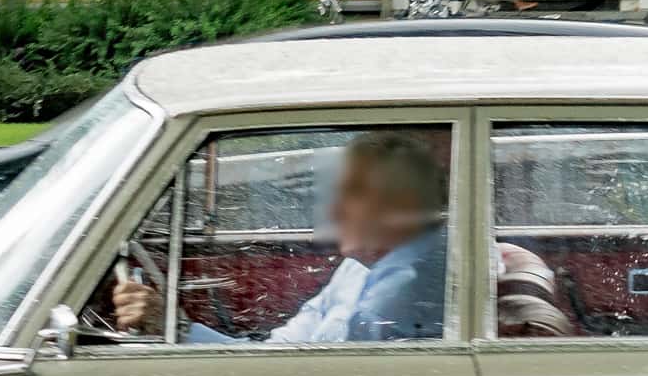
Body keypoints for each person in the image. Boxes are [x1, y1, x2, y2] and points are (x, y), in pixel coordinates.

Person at [109, 127, 451, 342]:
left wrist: (176, 328)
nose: (335, 210)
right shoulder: (360, 268)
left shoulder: (408, 281)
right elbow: (281, 351)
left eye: (353, 193)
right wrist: (179, 329)